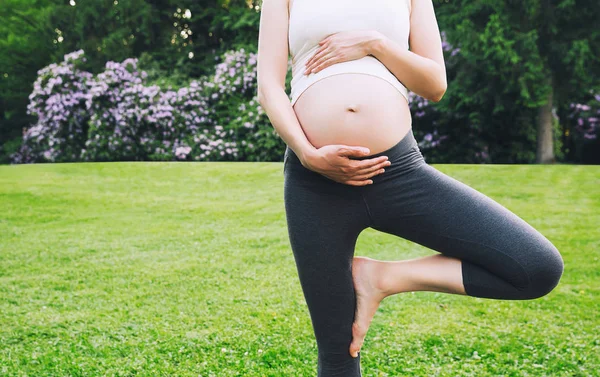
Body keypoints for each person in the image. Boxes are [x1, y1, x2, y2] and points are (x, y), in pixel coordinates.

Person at [256, 0, 564, 375]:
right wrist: (307, 154)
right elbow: (269, 85)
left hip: (399, 173)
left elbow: (435, 84)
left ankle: (382, 278)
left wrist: (375, 44)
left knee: (537, 266)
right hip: (316, 183)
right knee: (338, 351)